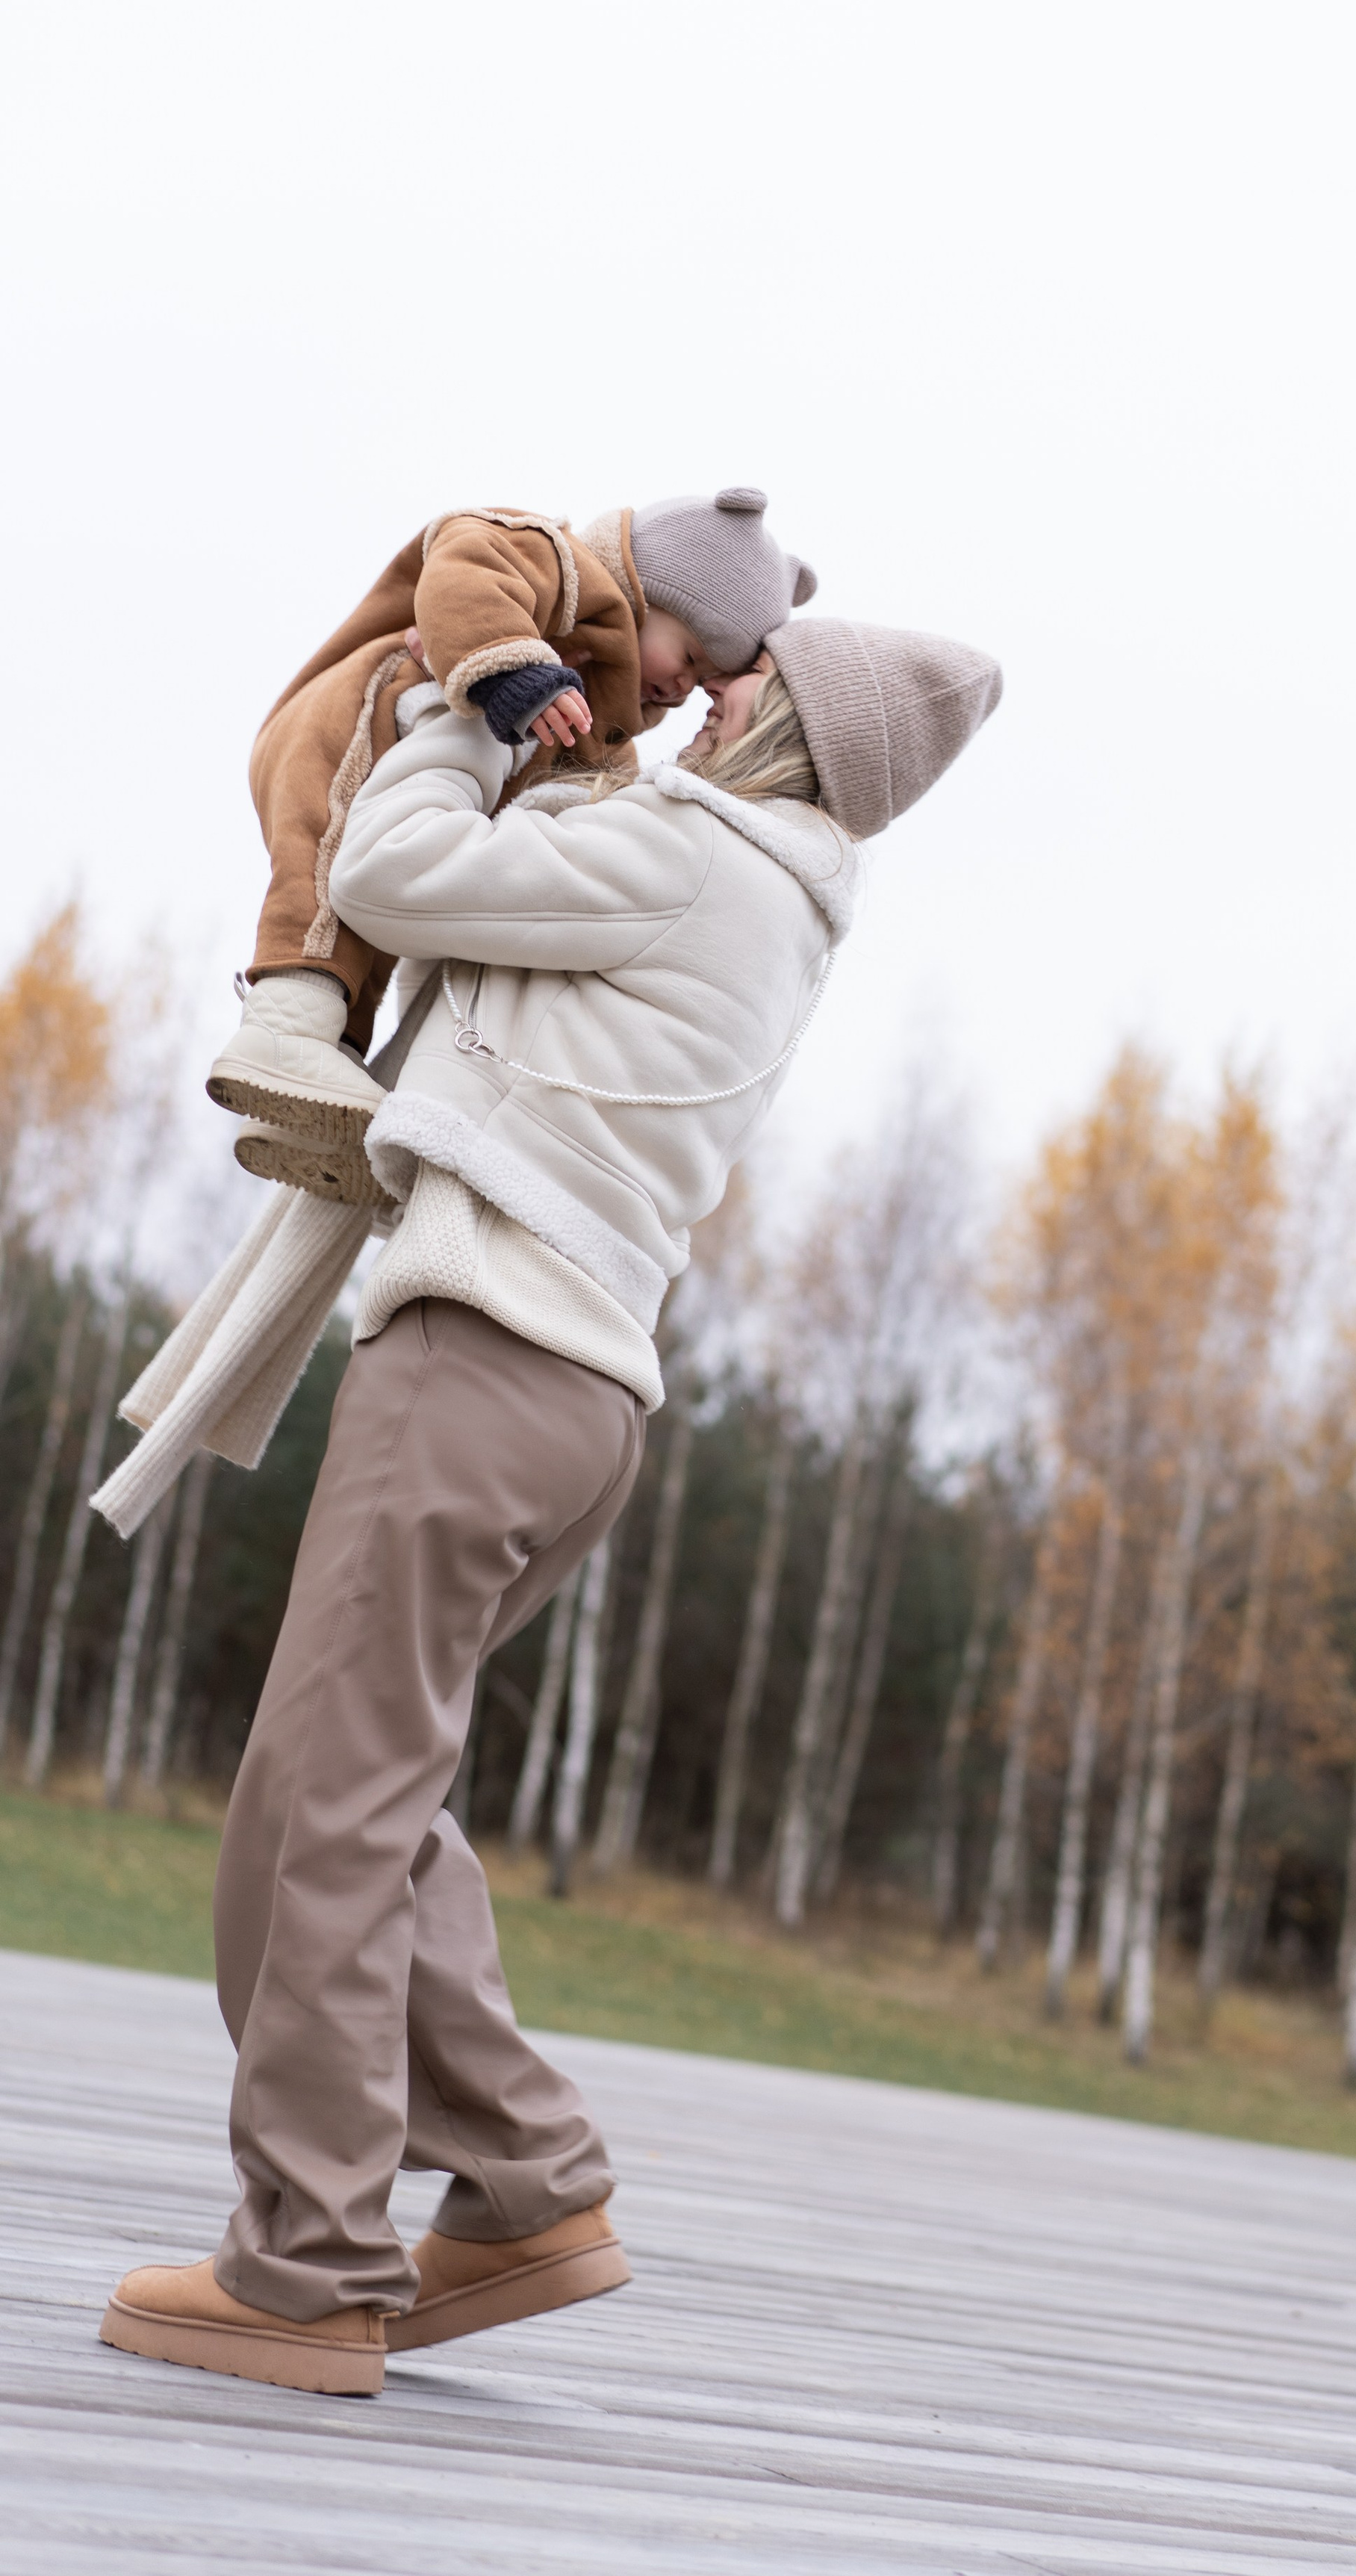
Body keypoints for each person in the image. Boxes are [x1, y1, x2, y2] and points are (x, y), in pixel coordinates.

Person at [99, 611, 1002, 2395]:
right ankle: (521, 2182)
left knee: (321, 1819)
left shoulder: (689, 858)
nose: (707, 682)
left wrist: (453, 694)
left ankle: (309, 2265)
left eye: (744, 678)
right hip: (566, 1389)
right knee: (367, 1793)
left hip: (481, 1361)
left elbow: (396, 868)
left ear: (793, 736)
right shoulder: (754, 886)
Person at [204, 489, 817, 1202]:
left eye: (701, 683)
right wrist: (508, 661)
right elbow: (464, 553)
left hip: (399, 778)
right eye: (688, 654)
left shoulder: (596, 725)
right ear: (649, 592)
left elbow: (588, 805)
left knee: (377, 939)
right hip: (359, 725)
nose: (681, 688)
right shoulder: (560, 565)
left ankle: (313, 1099)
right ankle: (286, 1021)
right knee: (328, 873)